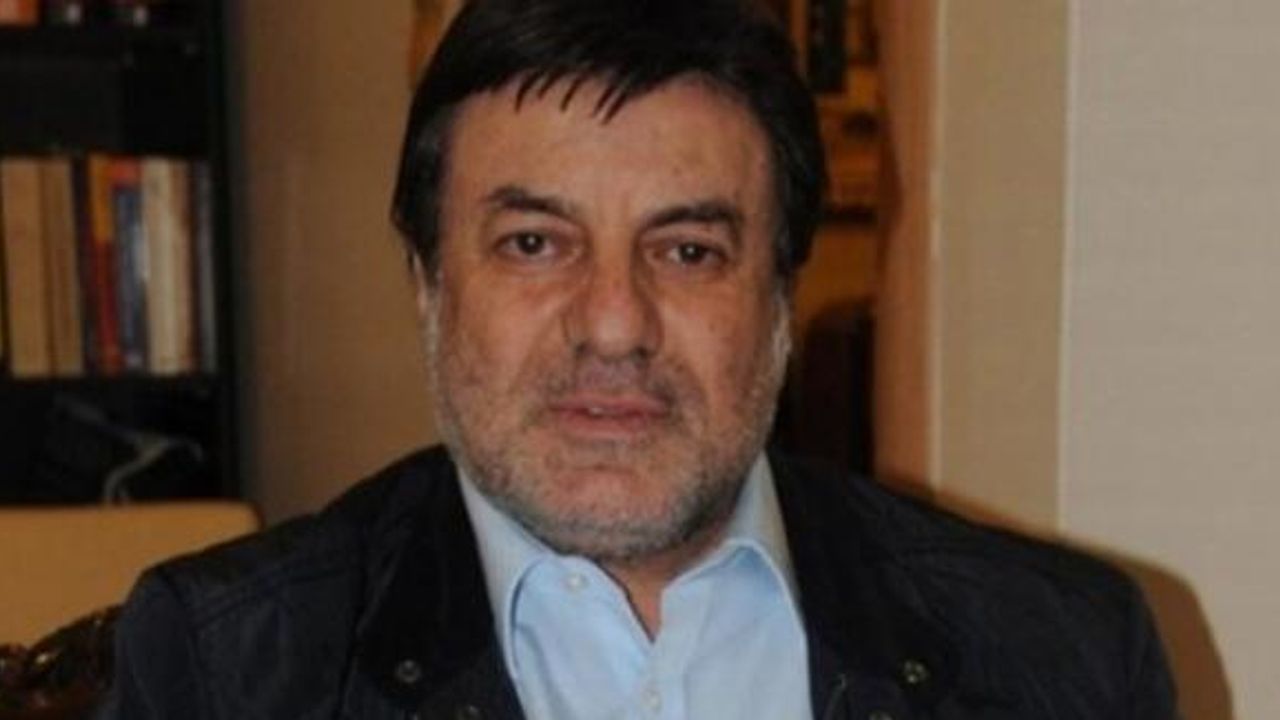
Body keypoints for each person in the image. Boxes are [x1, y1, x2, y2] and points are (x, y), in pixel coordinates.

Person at [96, 0, 1178, 717]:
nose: (614, 324)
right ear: (428, 280)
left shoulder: (1059, 652)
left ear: (780, 299)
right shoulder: (232, 669)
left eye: (688, 250)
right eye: (534, 244)